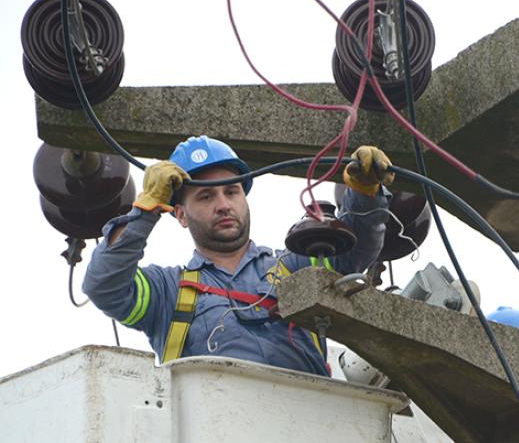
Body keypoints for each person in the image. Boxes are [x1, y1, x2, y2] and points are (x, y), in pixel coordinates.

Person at [83, 135, 394, 376]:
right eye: (206, 196)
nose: (223, 205)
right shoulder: (166, 293)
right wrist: (146, 209)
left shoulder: (295, 267)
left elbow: (355, 251)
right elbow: (104, 285)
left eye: (231, 192)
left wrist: (365, 193)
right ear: (180, 214)